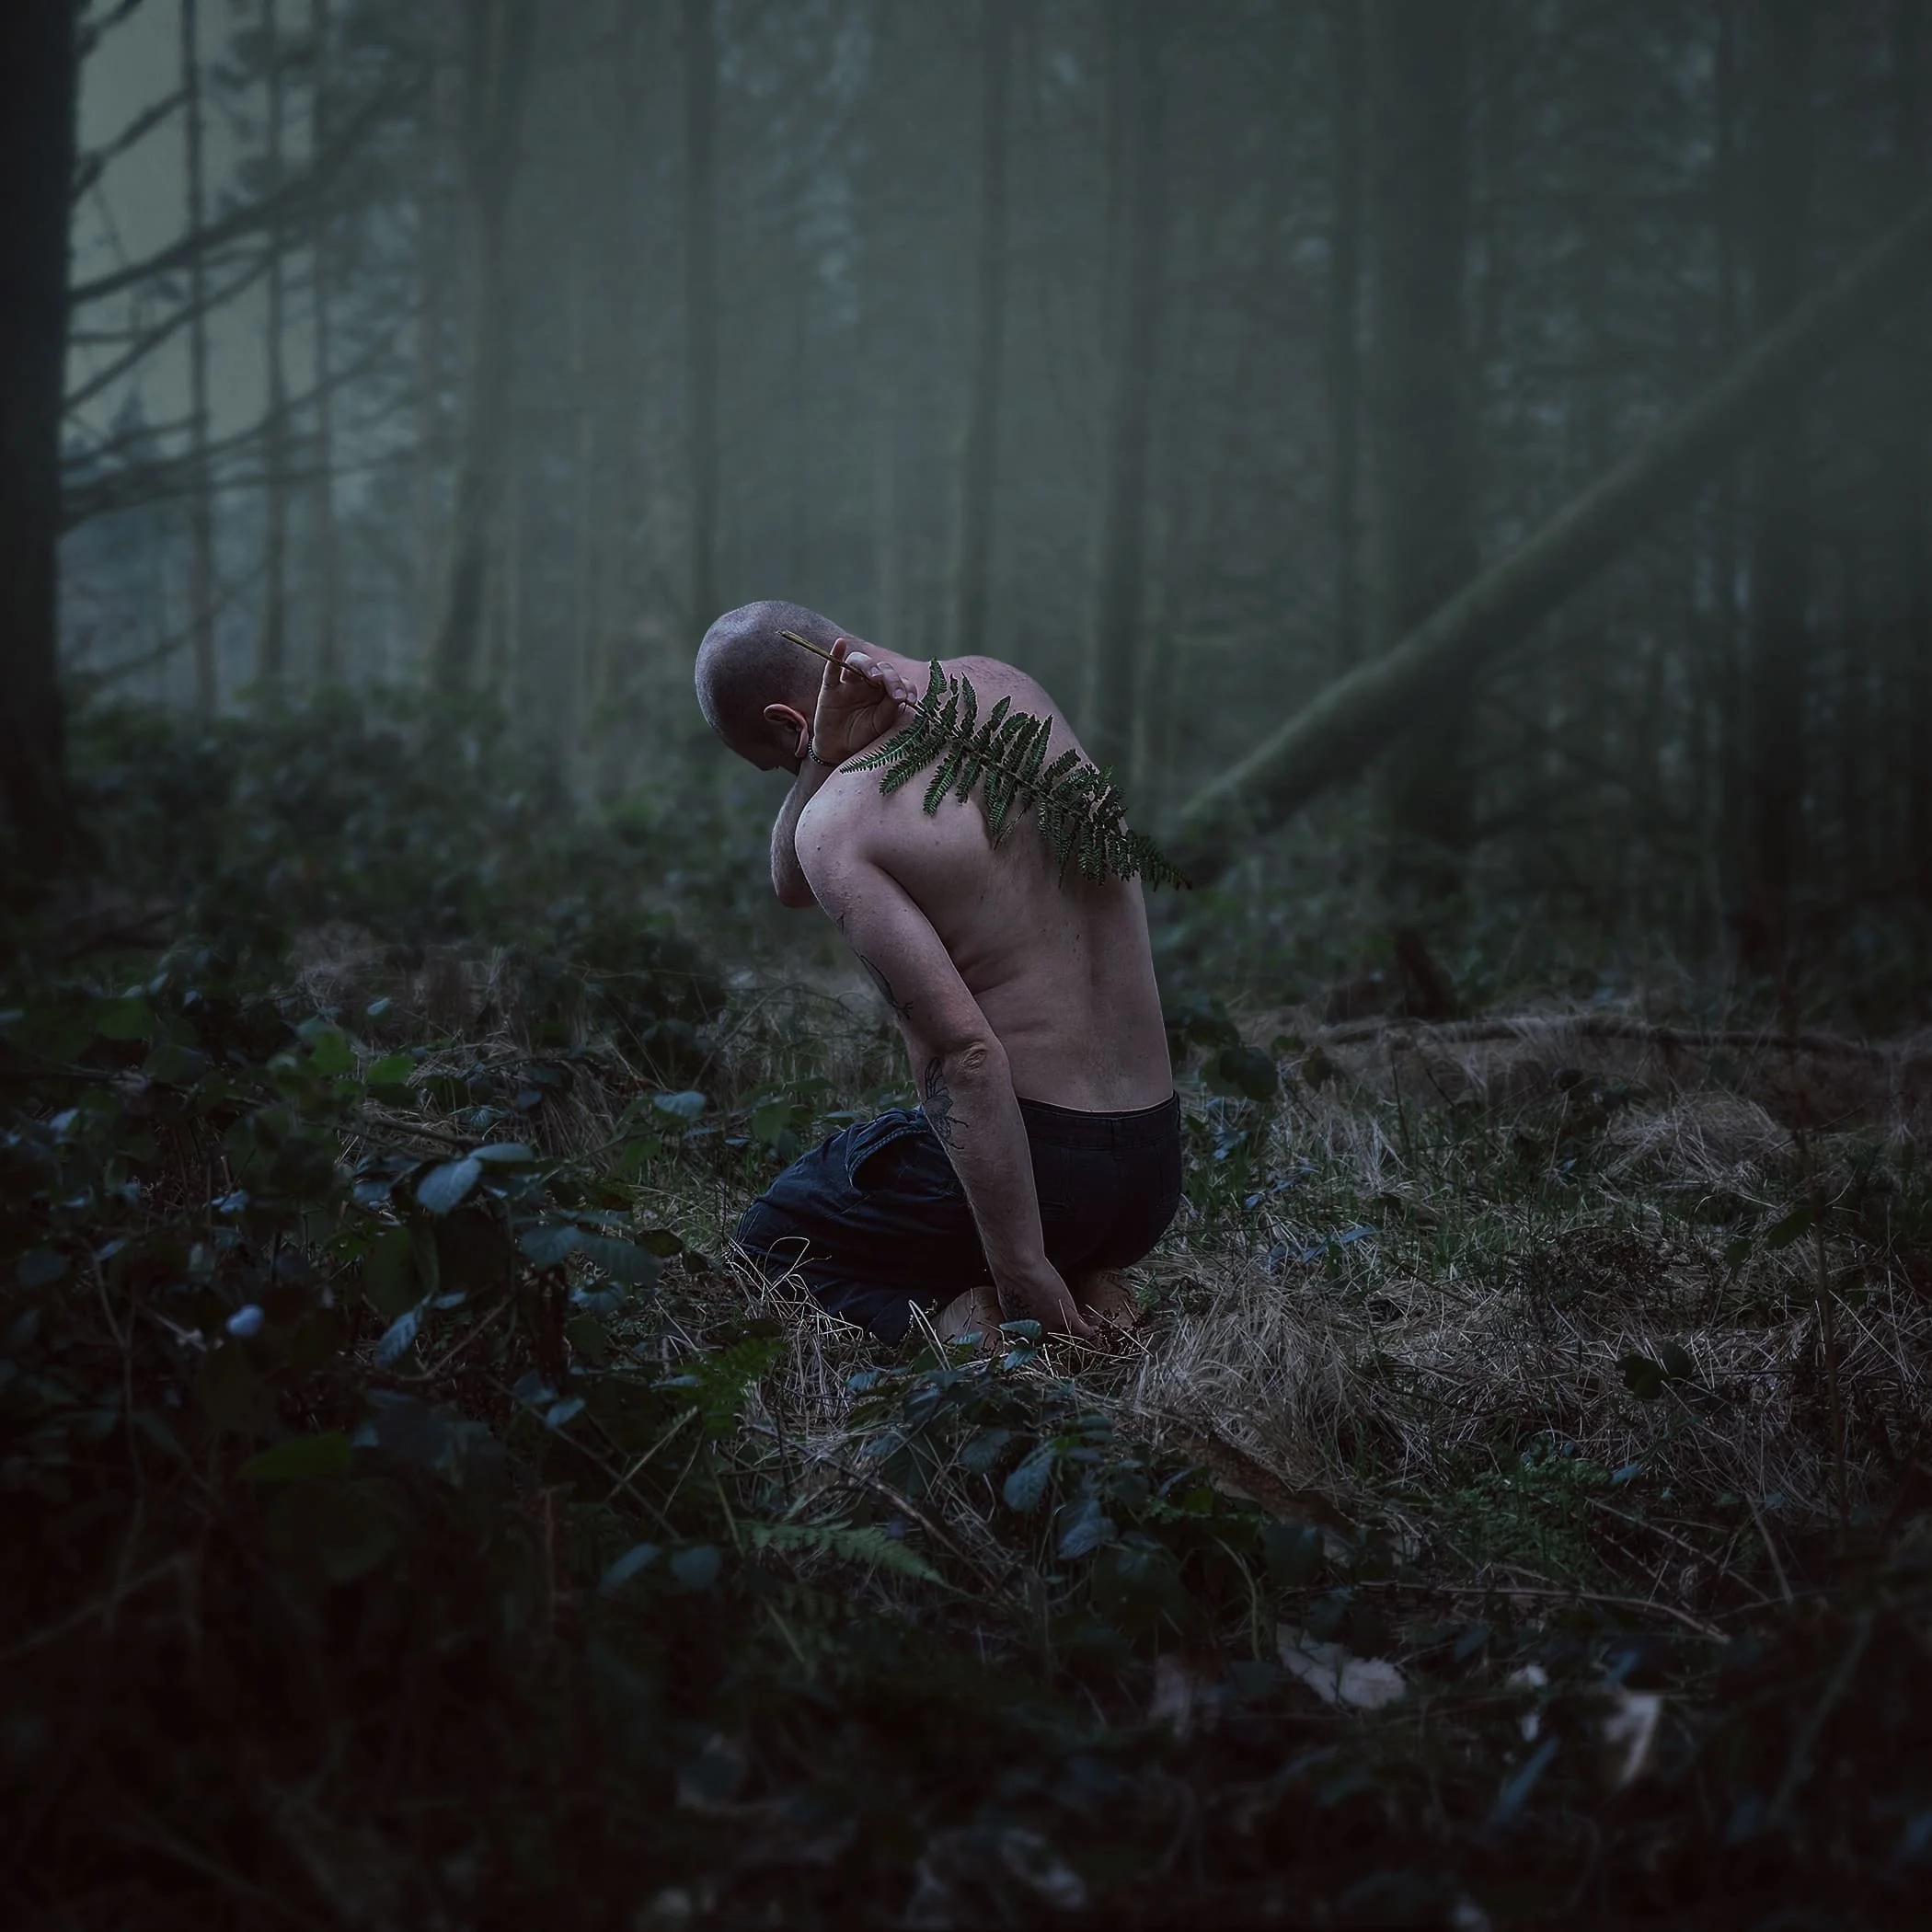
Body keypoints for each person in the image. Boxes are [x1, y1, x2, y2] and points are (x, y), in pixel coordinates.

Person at [694, 599, 1180, 1344]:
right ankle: (1095, 1282)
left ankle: (970, 1321)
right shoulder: (1008, 688)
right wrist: (818, 758)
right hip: (1152, 1174)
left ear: (790, 725)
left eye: (781, 764)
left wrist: (1021, 1269)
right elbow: (789, 882)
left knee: (770, 1244)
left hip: (1045, 1181)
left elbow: (965, 1057)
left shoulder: (843, 822)